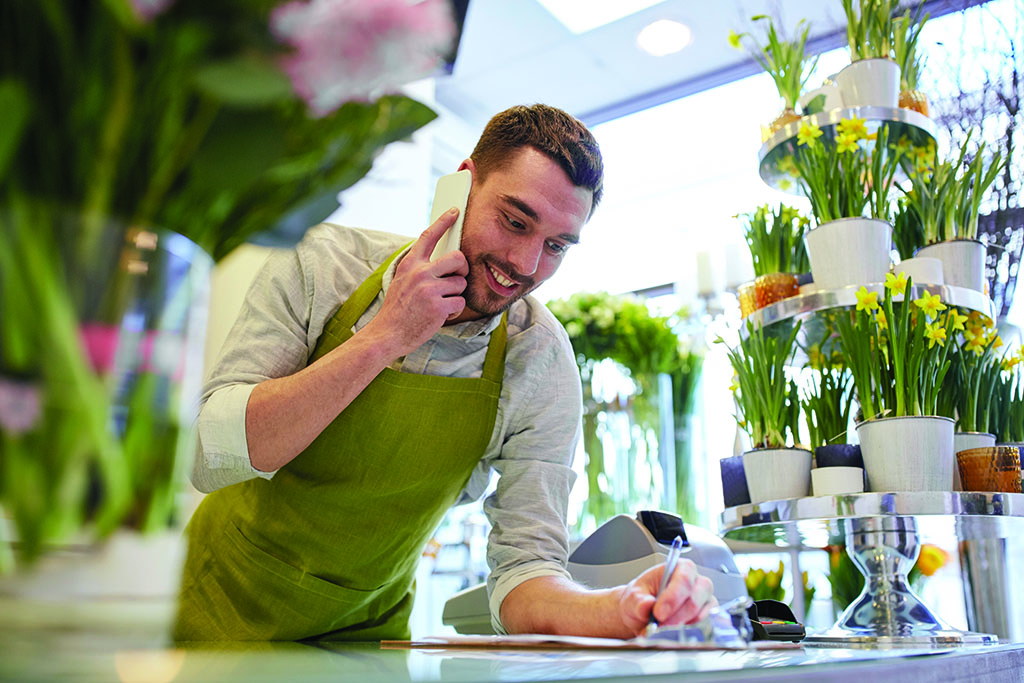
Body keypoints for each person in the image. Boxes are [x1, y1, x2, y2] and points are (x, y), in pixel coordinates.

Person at [174, 104, 716, 641]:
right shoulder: (322, 264)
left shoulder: (541, 360)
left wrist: (618, 606)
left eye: (555, 246)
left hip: (364, 637)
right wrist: (387, 335)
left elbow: (524, 573)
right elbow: (208, 456)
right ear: (461, 187)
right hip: (215, 606)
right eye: (514, 221)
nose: (527, 266)